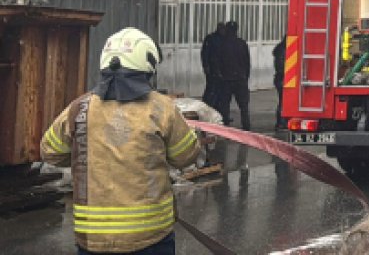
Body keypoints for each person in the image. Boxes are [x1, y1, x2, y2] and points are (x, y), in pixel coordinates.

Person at [40, 28, 200, 255]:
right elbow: (185, 157)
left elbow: (50, 152)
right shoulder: (161, 108)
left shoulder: (79, 108)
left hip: (93, 240)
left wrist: (88, 153)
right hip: (150, 237)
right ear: (147, 65)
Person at [213, 20, 252, 131]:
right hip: (240, 79)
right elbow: (247, 63)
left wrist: (219, 76)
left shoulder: (222, 44)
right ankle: (246, 126)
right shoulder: (242, 43)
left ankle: (225, 127)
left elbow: (217, 62)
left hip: (226, 80)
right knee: (244, 106)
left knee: (225, 105)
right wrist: (245, 77)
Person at [200, 22, 226, 107]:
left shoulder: (225, 39)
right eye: (221, 28)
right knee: (211, 88)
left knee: (221, 90)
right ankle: (206, 104)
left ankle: (219, 107)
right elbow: (205, 53)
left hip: (222, 68)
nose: (223, 30)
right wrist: (206, 65)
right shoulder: (211, 38)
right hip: (212, 68)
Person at [273, 36, 287, 131]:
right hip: (283, 78)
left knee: (282, 101)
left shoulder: (279, 49)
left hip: (279, 78)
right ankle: (281, 123)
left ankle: (280, 122)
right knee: (283, 101)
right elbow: (282, 67)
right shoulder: (284, 51)